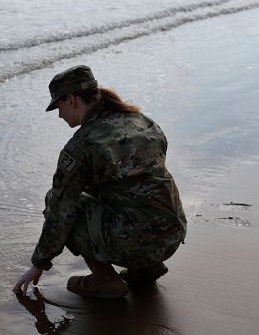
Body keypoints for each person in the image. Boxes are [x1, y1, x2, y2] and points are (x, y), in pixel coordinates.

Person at [13, 65, 187, 299]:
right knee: (127, 193)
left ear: (72, 100)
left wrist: (39, 263)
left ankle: (106, 280)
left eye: (58, 105)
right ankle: (147, 268)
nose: (58, 114)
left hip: (137, 244)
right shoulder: (141, 121)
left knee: (60, 201)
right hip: (172, 235)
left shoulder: (82, 146)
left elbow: (60, 210)